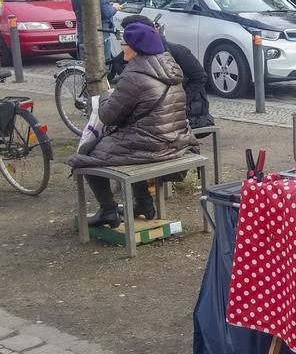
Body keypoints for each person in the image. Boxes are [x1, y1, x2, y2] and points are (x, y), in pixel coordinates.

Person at [67, 22, 199, 226]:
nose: (122, 47)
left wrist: (103, 97)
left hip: (153, 145)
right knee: (127, 145)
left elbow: (108, 116)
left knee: (86, 154)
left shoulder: (135, 76)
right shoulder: (170, 69)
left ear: (137, 48)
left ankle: (108, 210)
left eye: (125, 43)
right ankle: (144, 203)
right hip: (176, 141)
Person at [111, 14, 214, 129]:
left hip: (189, 112)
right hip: (156, 113)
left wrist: (181, 99)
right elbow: (118, 64)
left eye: (129, 35)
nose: (125, 41)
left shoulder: (179, 52)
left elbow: (200, 77)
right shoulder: (133, 53)